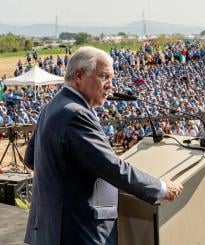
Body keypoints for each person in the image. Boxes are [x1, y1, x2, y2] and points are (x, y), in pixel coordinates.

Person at [23, 46, 183, 245]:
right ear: (79, 75)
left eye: (112, 78)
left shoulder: (53, 106)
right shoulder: (76, 114)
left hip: (51, 229)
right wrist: (161, 188)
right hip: (78, 231)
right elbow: (111, 167)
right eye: (104, 77)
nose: (110, 85)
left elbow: (31, 158)